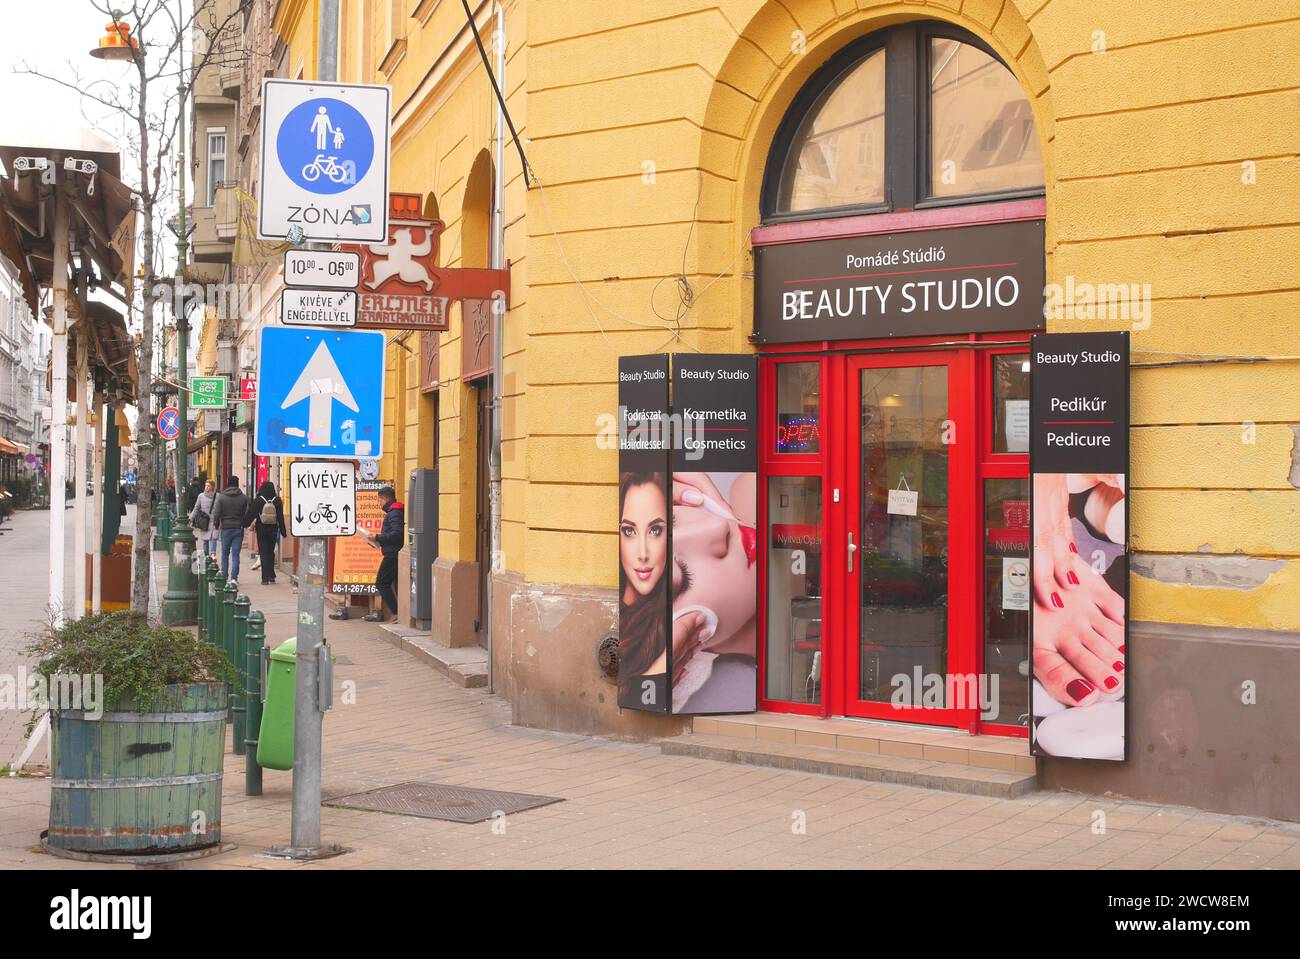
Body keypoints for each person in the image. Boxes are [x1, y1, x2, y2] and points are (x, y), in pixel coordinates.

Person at [361, 485, 404, 623]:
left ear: (384, 499)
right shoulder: (394, 511)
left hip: (393, 555)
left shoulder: (395, 512)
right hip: (393, 552)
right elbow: (392, 534)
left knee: (381, 582)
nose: (379, 504)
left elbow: (398, 534)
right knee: (392, 583)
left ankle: (396, 612)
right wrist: (377, 542)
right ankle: (399, 612)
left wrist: (378, 538)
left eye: (379, 500)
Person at [210, 475, 250, 583]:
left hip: (226, 528)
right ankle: (234, 578)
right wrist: (243, 524)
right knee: (236, 554)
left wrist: (217, 524)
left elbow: (216, 513)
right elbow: (247, 513)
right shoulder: (244, 498)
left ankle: (224, 575)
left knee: (224, 553)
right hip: (238, 528)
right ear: (237, 484)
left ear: (228, 484)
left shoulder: (221, 497)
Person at [247, 480, 287, 585]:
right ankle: (271, 575)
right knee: (270, 552)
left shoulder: (258, 500)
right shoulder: (277, 500)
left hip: (261, 530)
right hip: (273, 529)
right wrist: (283, 532)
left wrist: (244, 524)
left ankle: (264, 579)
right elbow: (280, 518)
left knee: (263, 552)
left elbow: (251, 514)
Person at [189, 479, 218, 557]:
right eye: (206, 485)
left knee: (213, 538)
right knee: (205, 540)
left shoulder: (218, 496)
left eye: (208, 486)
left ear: (212, 487)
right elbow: (196, 508)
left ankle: (213, 555)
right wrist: (190, 519)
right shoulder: (201, 496)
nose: (206, 487)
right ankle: (205, 556)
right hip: (204, 522)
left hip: (214, 521)